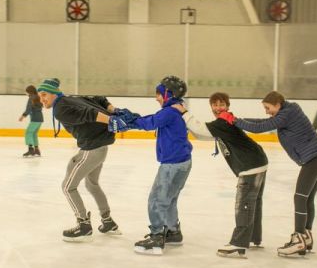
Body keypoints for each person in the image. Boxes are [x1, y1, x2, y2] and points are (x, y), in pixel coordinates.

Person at [223, 91, 317, 257]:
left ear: (277, 104)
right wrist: (237, 120)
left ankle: (298, 239)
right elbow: (263, 122)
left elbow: (260, 128)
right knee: (307, 199)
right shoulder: (287, 111)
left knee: (300, 197)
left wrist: (235, 121)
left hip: (314, 160)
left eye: (268, 108)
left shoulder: (287, 114)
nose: (267, 111)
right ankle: (306, 237)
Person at [172, 92, 268, 258]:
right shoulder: (225, 121)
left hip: (250, 166)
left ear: (227, 106)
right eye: (215, 105)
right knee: (253, 204)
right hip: (258, 162)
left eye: (221, 104)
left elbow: (201, 128)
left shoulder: (224, 120)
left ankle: (239, 243)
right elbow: (204, 135)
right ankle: (253, 238)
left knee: (244, 204)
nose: (218, 108)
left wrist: (184, 113)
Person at [36, 78, 128, 242]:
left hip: (92, 150)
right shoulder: (72, 98)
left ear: (54, 94)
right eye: (39, 96)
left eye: (44, 95)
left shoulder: (60, 108)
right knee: (91, 184)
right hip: (100, 148)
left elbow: (89, 114)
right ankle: (108, 222)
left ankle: (83, 225)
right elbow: (100, 99)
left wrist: (112, 120)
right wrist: (114, 111)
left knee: (67, 187)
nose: (41, 99)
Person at [123, 76, 192, 256]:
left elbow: (150, 123)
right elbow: (154, 119)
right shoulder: (176, 109)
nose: (157, 98)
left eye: (159, 94)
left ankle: (156, 237)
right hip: (183, 161)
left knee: (156, 199)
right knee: (169, 198)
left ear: (168, 94)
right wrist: (133, 118)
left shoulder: (169, 111)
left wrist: (128, 121)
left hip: (172, 164)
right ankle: (173, 231)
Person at [18, 85, 43, 157]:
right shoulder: (38, 97)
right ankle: (37, 150)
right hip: (40, 119)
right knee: (34, 133)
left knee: (28, 133)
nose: (26, 93)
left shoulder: (31, 98)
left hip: (35, 119)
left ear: (29, 92)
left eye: (26, 92)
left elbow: (28, 109)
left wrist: (23, 116)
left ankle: (30, 149)